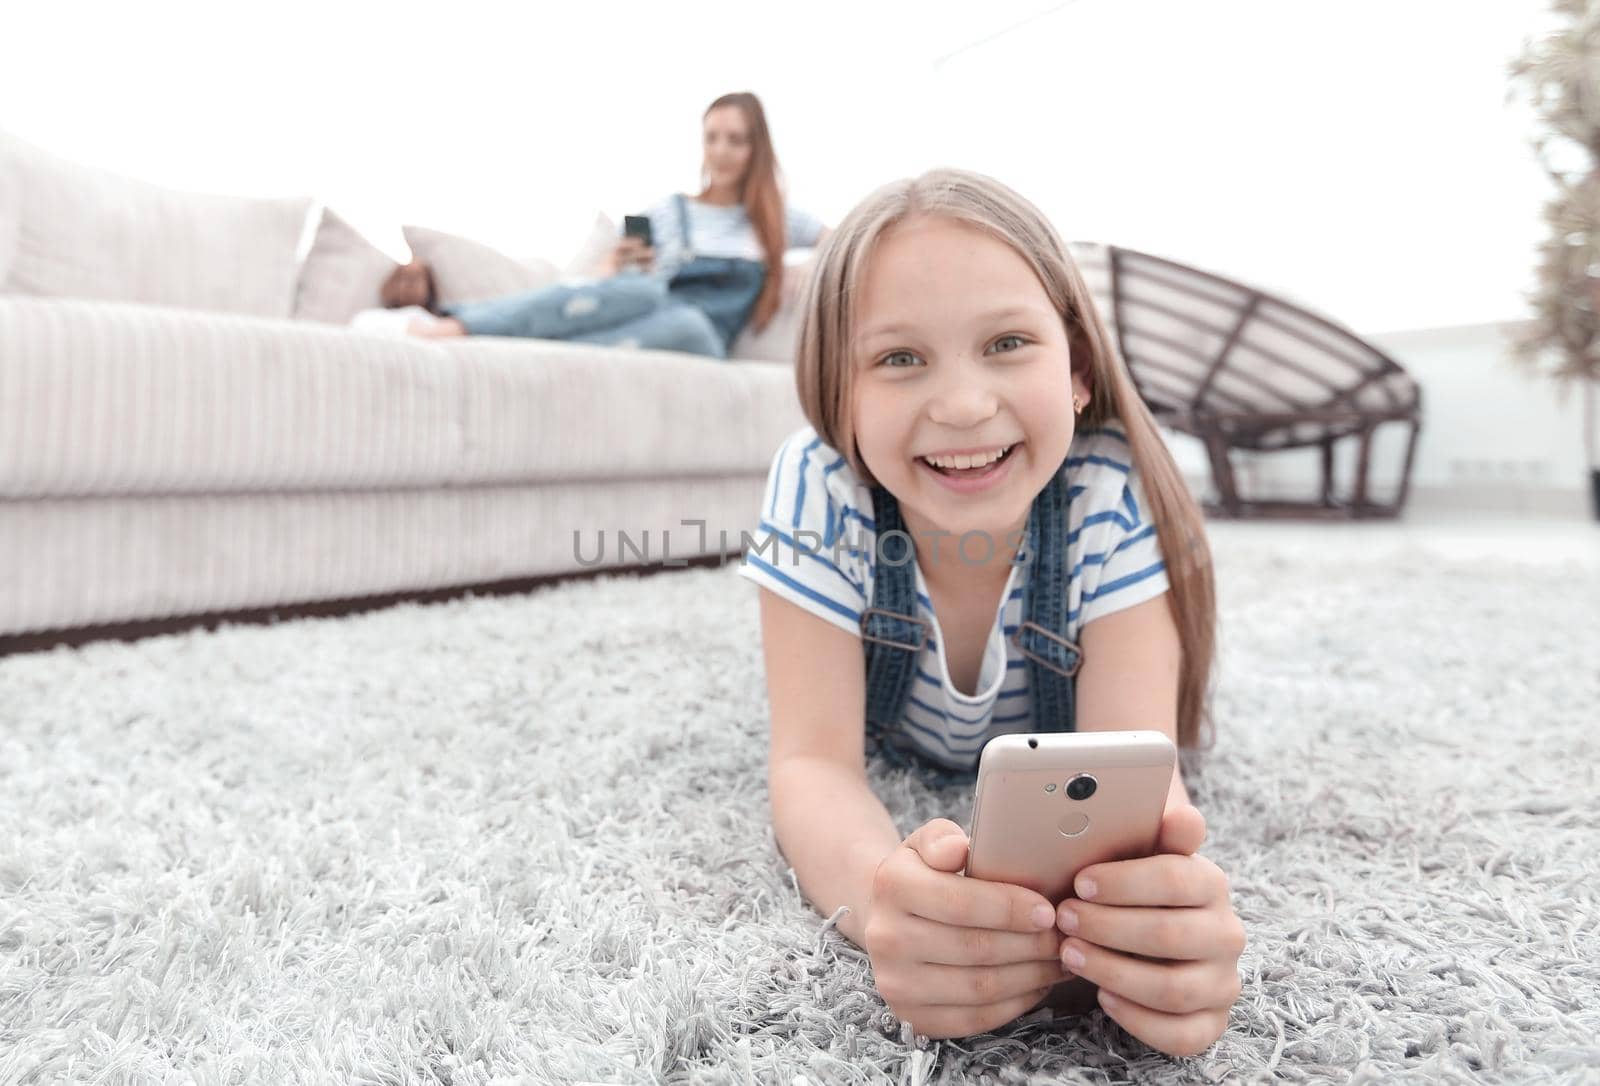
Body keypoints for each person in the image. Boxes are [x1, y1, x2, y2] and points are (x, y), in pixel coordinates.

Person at [736, 168, 1245, 1055]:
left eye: (1008, 342)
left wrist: (1160, 927)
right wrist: (884, 899)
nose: (965, 406)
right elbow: (813, 764)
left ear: (1078, 370)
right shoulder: (816, 485)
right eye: (898, 358)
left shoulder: (1110, 497)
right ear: (837, 396)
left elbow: (1139, 768)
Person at [406, 91, 832, 359]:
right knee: (636, 289)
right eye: (712, 137)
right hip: (650, 296)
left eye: (735, 140)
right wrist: (620, 264)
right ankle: (462, 327)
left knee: (682, 323)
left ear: (756, 148)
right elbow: (609, 274)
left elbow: (842, 238)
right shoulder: (669, 210)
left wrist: (812, 263)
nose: (720, 151)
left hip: (702, 329)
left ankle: (524, 353)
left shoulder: (775, 218)